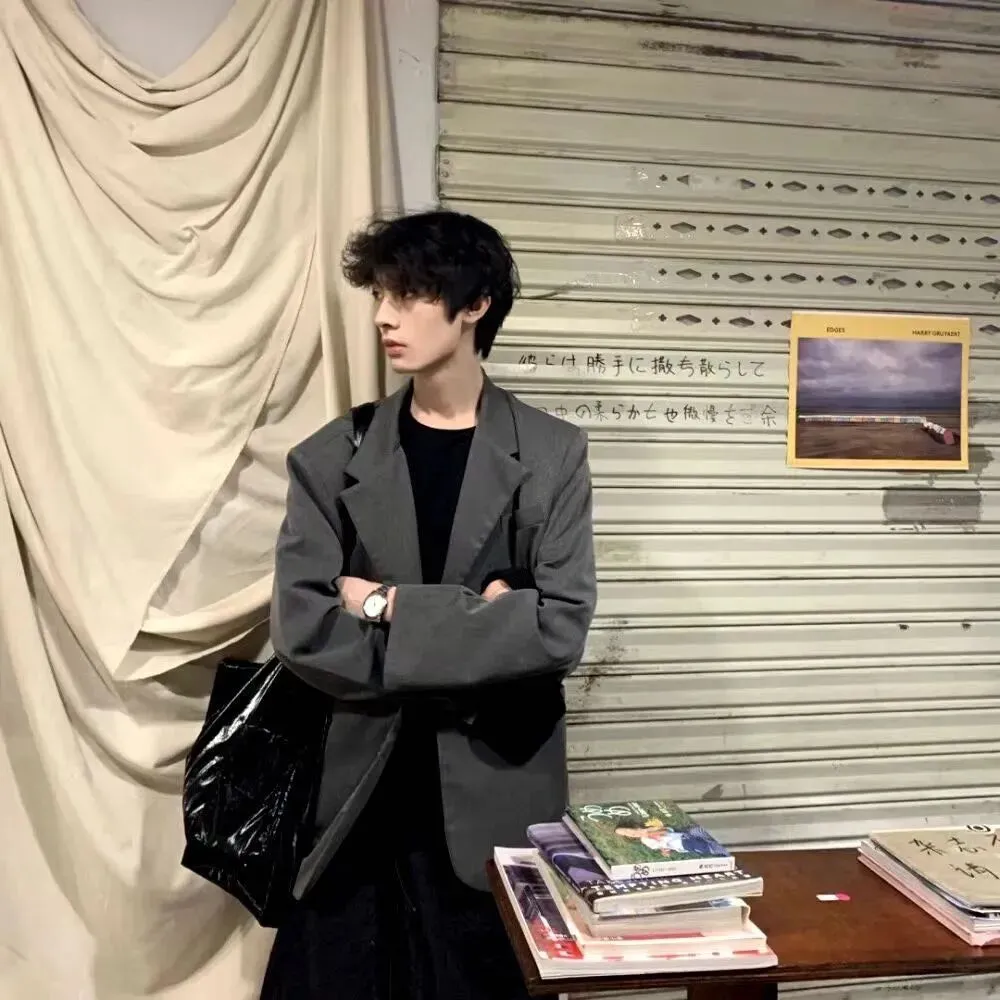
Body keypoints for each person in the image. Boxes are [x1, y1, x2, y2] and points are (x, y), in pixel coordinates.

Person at [261, 210, 597, 999]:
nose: (384, 315)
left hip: (496, 784)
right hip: (355, 793)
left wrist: (385, 606)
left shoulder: (551, 454)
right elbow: (302, 629)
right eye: (381, 294)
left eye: (409, 294)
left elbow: (557, 629)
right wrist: (483, 620)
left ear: (474, 304)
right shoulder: (331, 456)